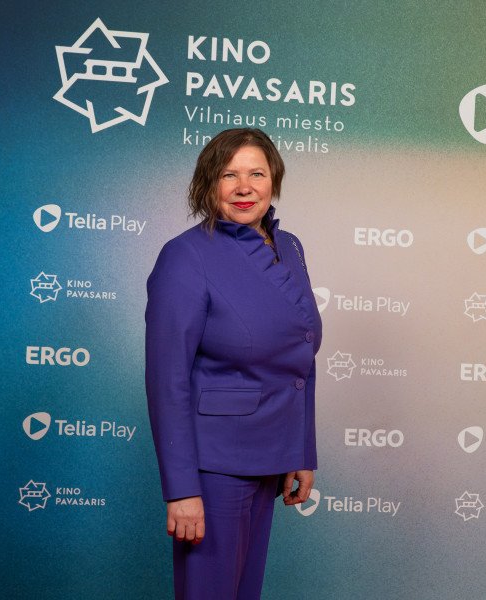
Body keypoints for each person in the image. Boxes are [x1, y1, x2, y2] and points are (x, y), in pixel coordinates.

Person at [145, 128, 322, 599]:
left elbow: (301, 354)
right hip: (214, 466)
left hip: (271, 458)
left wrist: (301, 452)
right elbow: (167, 381)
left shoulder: (289, 246)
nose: (244, 187)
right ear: (209, 183)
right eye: (229, 175)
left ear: (273, 180)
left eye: (256, 174)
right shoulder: (185, 255)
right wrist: (182, 490)